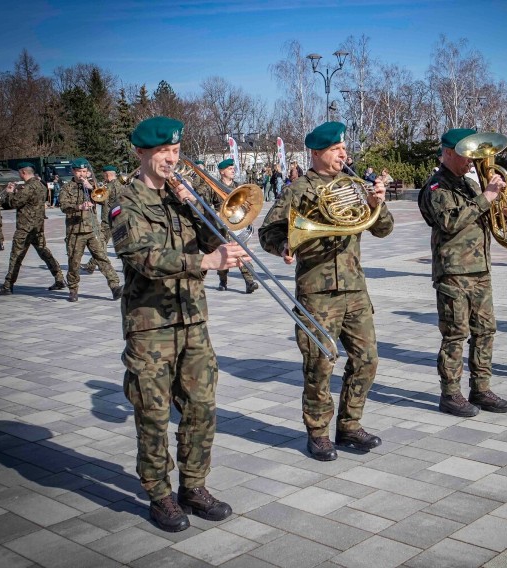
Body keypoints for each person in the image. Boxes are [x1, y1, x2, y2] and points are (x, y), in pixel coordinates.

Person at [112, 116, 245, 532]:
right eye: (162, 152)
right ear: (141, 153)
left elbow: (215, 239)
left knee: (201, 408)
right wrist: (205, 262)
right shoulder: (124, 200)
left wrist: (197, 208)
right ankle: (159, 493)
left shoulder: (179, 197)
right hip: (151, 327)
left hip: (193, 320)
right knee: (152, 413)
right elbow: (143, 258)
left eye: (174, 151)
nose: (171, 159)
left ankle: (194, 486)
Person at [259, 121, 394, 461]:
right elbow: (268, 233)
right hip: (316, 291)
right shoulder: (297, 189)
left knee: (368, 360)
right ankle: (318, 432)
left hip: (354, 288)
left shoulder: (355, 185)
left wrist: (379, 202)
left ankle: (349, 425)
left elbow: (383, 229)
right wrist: (284, 247)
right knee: (320, 365)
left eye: (343, 148)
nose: (343, 154)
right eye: (336, 149)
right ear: (316, 152)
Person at [418, 128, 507, 416]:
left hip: (479, 269)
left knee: (485, 331)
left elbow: (484, 217)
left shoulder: (470, 185)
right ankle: (450, 394)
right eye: (465, 153)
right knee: (455, 335)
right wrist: (487, 197)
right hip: (454, 273)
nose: (472, 159)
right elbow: (451, 222)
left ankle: (481, 388)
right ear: (448, 153)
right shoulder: (437, 188)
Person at [0, 163, 66, 295]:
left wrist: (9, 193)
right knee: (45, 253)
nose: (19, 175)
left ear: (23, 172)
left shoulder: (27, 187)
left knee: (16, 256)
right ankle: (59, 278)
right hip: (37, 227)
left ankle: (8, 285)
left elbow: (13, 203)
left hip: (25, 228)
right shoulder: (41, 185)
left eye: (19, 173)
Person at [58, 159, 122, 303]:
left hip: (93, 230)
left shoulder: (92, 185)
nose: (82, 174)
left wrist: (91, 187)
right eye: (79, 171)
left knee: (102, 259)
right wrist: (79, 207)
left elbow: (103, 200)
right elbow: (63, 206)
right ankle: (73, 290)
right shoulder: (67, 188)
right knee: (74, 262)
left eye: (85, 172)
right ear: (74, 172)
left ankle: (115, 287)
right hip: (75, 231)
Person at [214, 158, 258, 294]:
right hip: (221, 225)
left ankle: (249, 282)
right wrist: (214, 213)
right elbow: (203, 201)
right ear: (222, 172)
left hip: (237, 223)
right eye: (229, 168)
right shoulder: (214, 186)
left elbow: (246, 203)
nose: (233, 170)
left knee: (241, 251)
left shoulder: (239, 187)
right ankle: (223, 279)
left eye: (233, 168)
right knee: (223, 254)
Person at [82, 165, 123, 274]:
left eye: (104, 174)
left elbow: (100, 198)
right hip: (118, 217)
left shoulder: (109, 186)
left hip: (108, 219)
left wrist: (91, 188)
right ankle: (91, 265)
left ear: (107, 174)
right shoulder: (120, 185)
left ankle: (91, 265)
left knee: (101, 243)